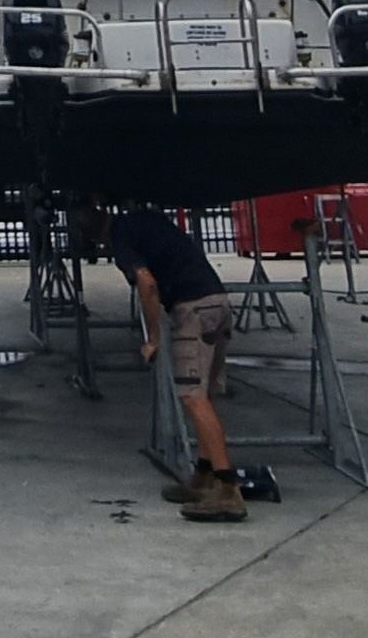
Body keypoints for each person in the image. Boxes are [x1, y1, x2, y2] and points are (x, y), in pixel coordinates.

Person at [77, 201, 245, 522]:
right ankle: (204, 475)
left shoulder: (121, 241)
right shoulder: (144, 218)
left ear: (97, 238)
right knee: (204, 394)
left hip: (193, 308)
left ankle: (227, 489)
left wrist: (154, 337)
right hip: (216, 301)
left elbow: (147, 282)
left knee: (192, 397)